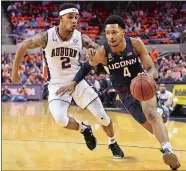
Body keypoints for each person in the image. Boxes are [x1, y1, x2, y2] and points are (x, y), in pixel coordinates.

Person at [57, 15, 180, 170]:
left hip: (141, 83)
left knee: (151, 114)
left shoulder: (135, 44)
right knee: (150, 126)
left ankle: (168, 150)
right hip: (124, 92)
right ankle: (162, 128)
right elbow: (85, 67)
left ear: (123, 32)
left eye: (114, 32)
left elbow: (152, 68)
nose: (110, 36)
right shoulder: (103, 52)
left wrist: (148, 76)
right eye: (107, 33)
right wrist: (74, 83)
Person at [11, 3, 124, 158]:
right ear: (61, 19)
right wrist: (14, 71)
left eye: (76, 18)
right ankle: (84, 129)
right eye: (70, 17)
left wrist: (96, 54)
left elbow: (101, 50)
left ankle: (113, 142)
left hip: (77, 82)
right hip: (56, 84)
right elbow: (23, 45)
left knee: (102, 116)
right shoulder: (46, 37)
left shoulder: (80, 37)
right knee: (60, 119)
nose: (74, 21)